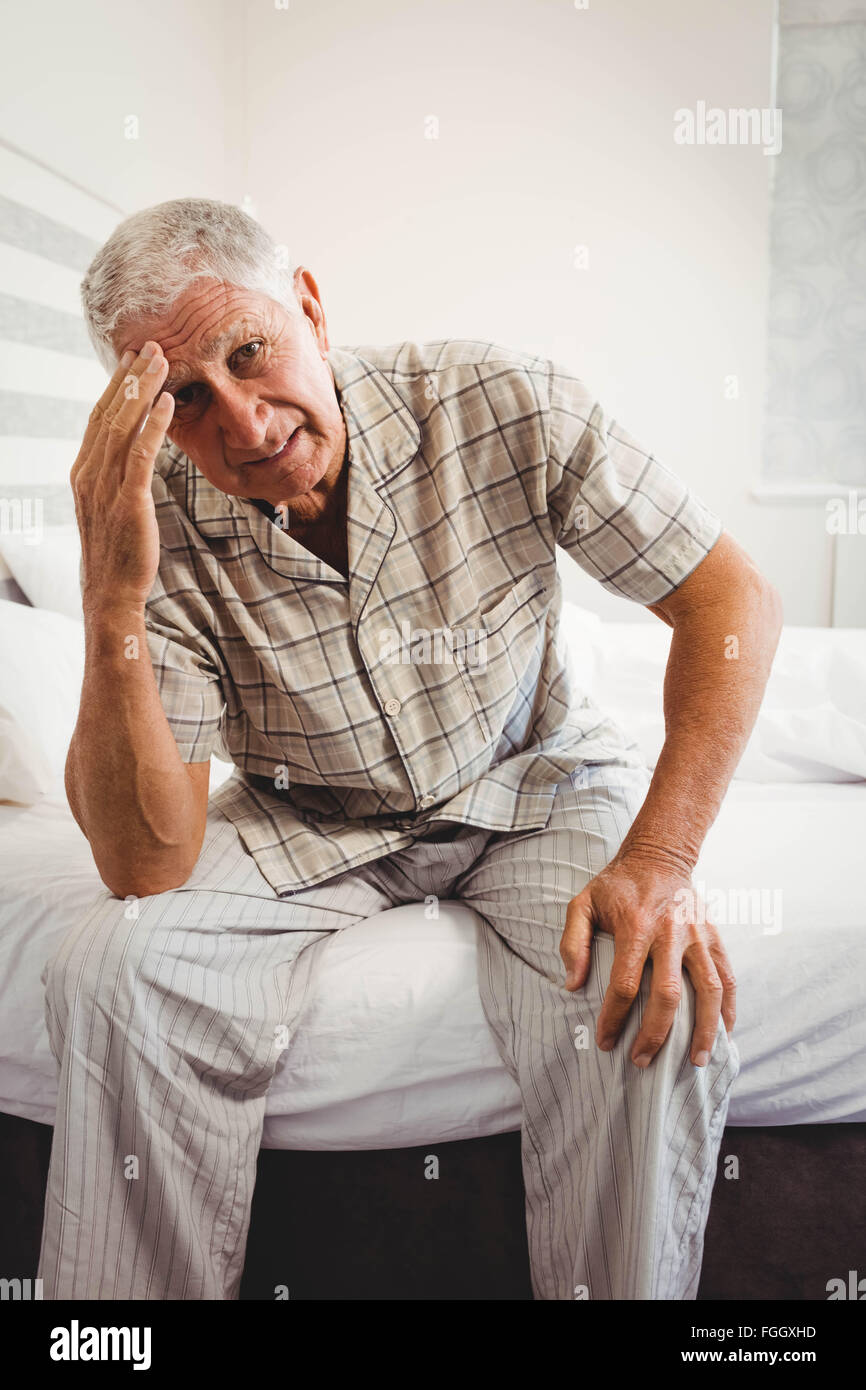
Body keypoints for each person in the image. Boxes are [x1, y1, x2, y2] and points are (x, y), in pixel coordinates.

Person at [38, 198, 782, 1301]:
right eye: (187, 398)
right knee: (115, 969)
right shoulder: (152, 512)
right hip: (306, 810)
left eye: (250, 352)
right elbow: (145, 863)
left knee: (649, 986)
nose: (243, 426)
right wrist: (112, 598)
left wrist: (662, 858)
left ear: (311, 308)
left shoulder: (497, 397)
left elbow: (728, 601)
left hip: (527, 778)